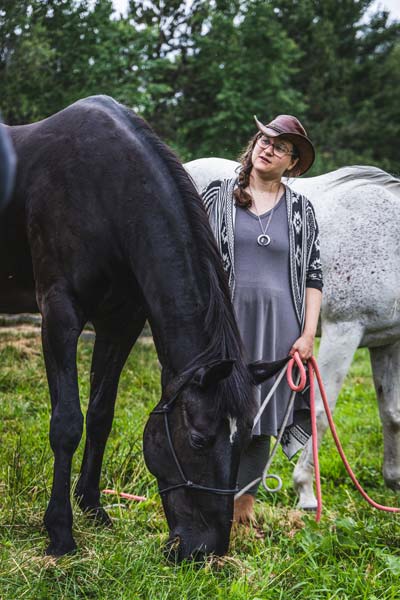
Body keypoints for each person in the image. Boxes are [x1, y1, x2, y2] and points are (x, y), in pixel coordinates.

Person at [201, 115, 323, 524]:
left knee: (260, 418)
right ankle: (206, 497)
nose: (267, 147)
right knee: (213, 410)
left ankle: (242, 507)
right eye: (264, 139)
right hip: (225, 323)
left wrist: (308, 335)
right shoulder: (217, 195)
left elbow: (313, 275)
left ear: (293, 162)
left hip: (280, 327)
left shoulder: (301, 210)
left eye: (280, 146)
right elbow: (194, 256)